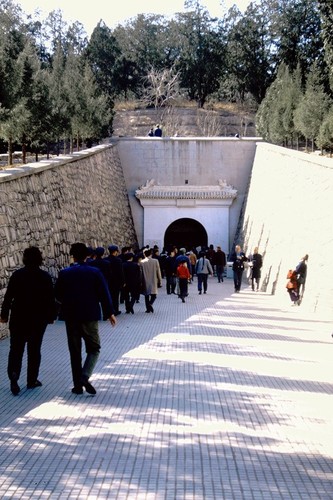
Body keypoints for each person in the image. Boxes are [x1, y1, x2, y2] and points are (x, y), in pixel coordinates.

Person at [55, 243, 116, 395]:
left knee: (75, 352)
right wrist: (110, 313)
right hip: (90, 315)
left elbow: (57, 295)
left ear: (73, 256)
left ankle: (77, 386)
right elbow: (104, 293)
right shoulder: (95, 272)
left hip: (71, 317)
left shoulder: (64, 273)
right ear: (88, 255)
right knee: (94, 348)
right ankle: (85, 376)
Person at [0, 246, 57, 395]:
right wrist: (51, 316)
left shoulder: (17, 275)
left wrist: (4, 314)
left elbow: (8, 298)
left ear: (24, 258)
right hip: (38, 320)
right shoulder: (45, 277)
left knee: (15, 349)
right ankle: (31, 380)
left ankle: (14, 376)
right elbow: (50, 299)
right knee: (34, 350)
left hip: (18, 318)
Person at [140, 248, 162, 313]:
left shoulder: (142, 262)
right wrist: (160, 280)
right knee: (154, 295)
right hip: (153, 280)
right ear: (151, 254)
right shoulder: (155, 261)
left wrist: (140, 281)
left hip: (145, 280)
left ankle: (148, 308)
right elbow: (158, 271)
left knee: (146, 295)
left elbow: (140, 273)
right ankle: (150, 304)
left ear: (145, 254)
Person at [104, 244, 124, 316]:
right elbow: (121, 272)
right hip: (116, 282)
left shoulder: (105, 260)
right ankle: (115, 310)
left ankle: (108, 310)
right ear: (115, 252)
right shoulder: (118, 260)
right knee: (115, 297)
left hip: (107, 281)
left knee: (108, 296)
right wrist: (122, 282)